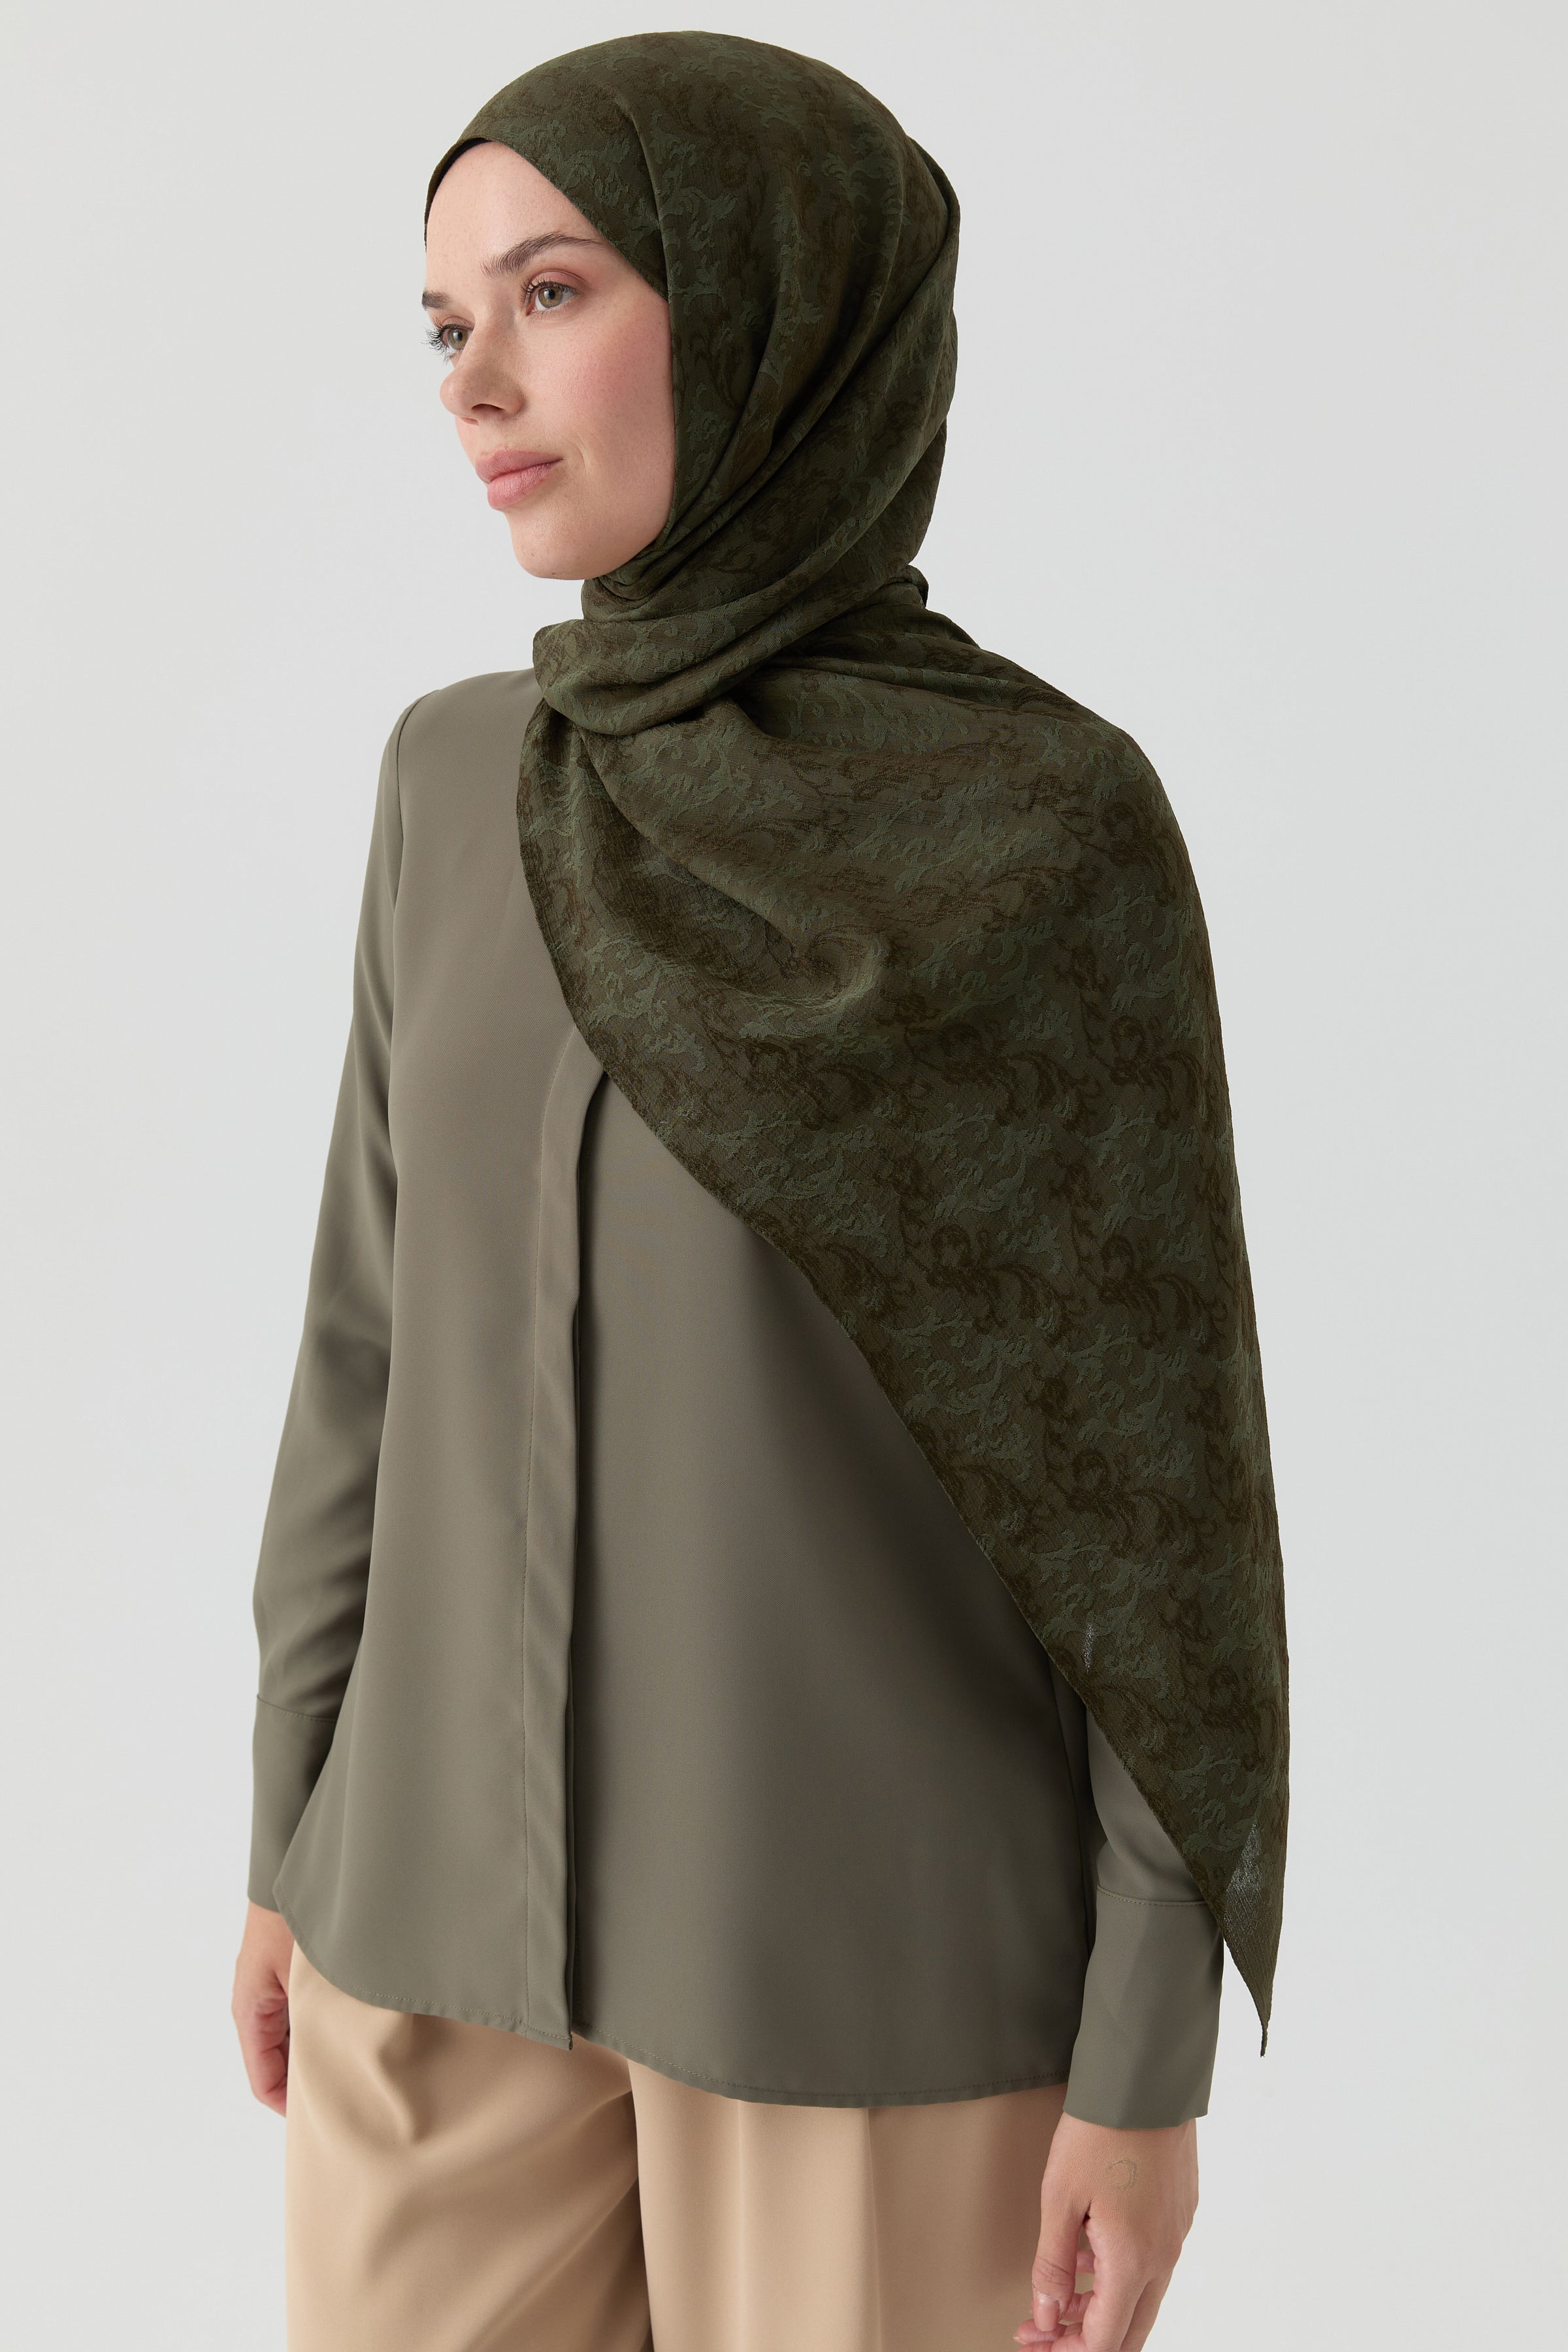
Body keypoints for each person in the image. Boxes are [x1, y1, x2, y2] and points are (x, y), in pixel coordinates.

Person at [231, 33, 1288, 2352]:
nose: (474, 382)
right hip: (425, 1930)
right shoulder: (453, 785)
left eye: (553, 292)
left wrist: (1143, 2054)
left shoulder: (1044, 833)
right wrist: (290, 1829)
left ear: (773, 307)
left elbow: (1158, 1496)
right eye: (446, 321)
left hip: (866, 1990)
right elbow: (363, 1346)